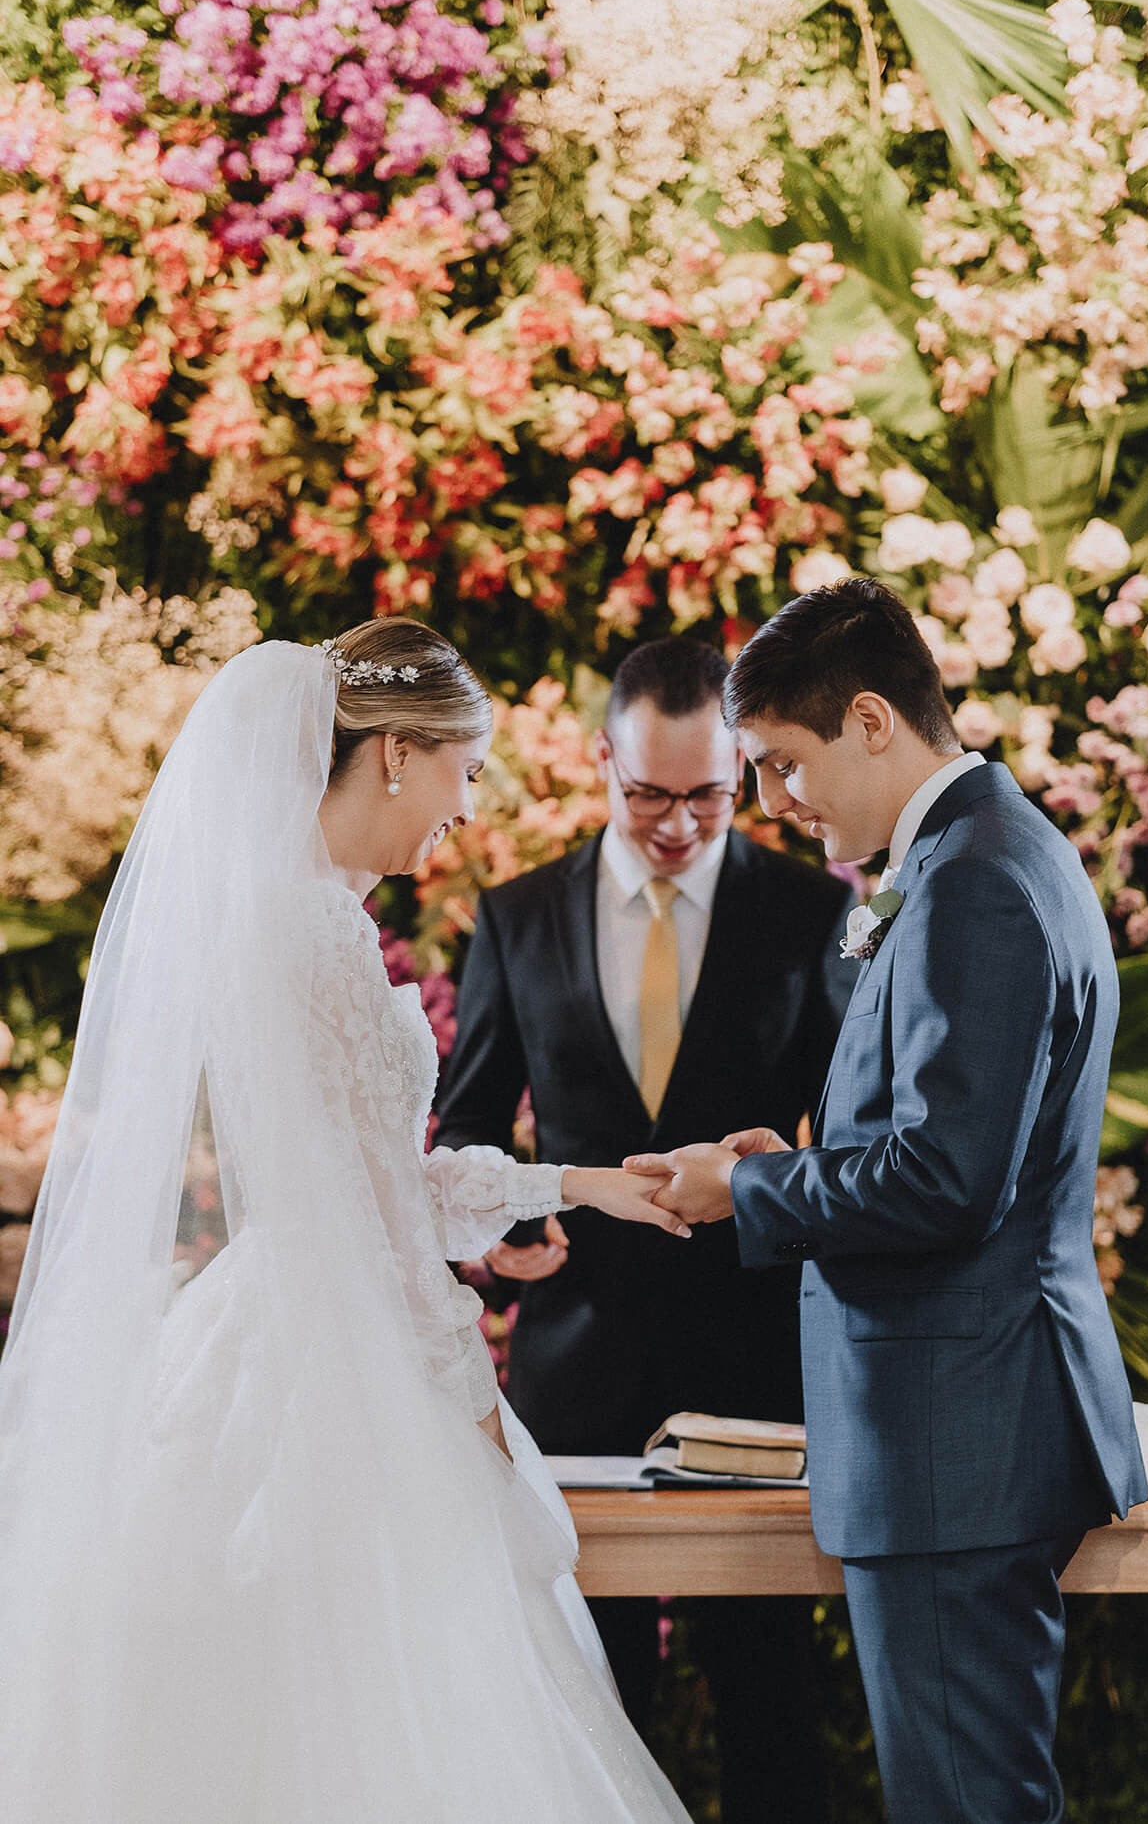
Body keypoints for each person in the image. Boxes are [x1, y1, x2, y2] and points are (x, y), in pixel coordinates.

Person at [0, 620, 698, 1824]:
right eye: (463, 771)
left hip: (273, 1323)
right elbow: (386, 1223)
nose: (465, 808)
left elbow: (377, 1182)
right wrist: (471, 1409)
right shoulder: (316, 929)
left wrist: (579, 1184)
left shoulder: (280, 913)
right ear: (394, 753)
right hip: (344, 1358)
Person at [628, 579, 1148, 1824]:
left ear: (869, 720)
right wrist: (803, 1155)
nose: (771, 802)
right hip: (959, 1428)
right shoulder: (983, 851)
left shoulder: (972, 880)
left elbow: (947, 1181)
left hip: (952, 1437)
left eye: (779, 764)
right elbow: (949, 1143)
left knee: (963, 1805)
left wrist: (745, 1187)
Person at [436, 636, 855, 1824]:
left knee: (768, 1703)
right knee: (588, 1706)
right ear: (600, 761)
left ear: (743, 769)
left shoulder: (810, 913)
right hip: (577, 1361)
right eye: (646, 794)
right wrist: (499, 1237)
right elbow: (468, 1125)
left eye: (707, 796)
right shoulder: (516, 916)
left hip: (754, 1364)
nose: (676, 825)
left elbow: (849, 1136)